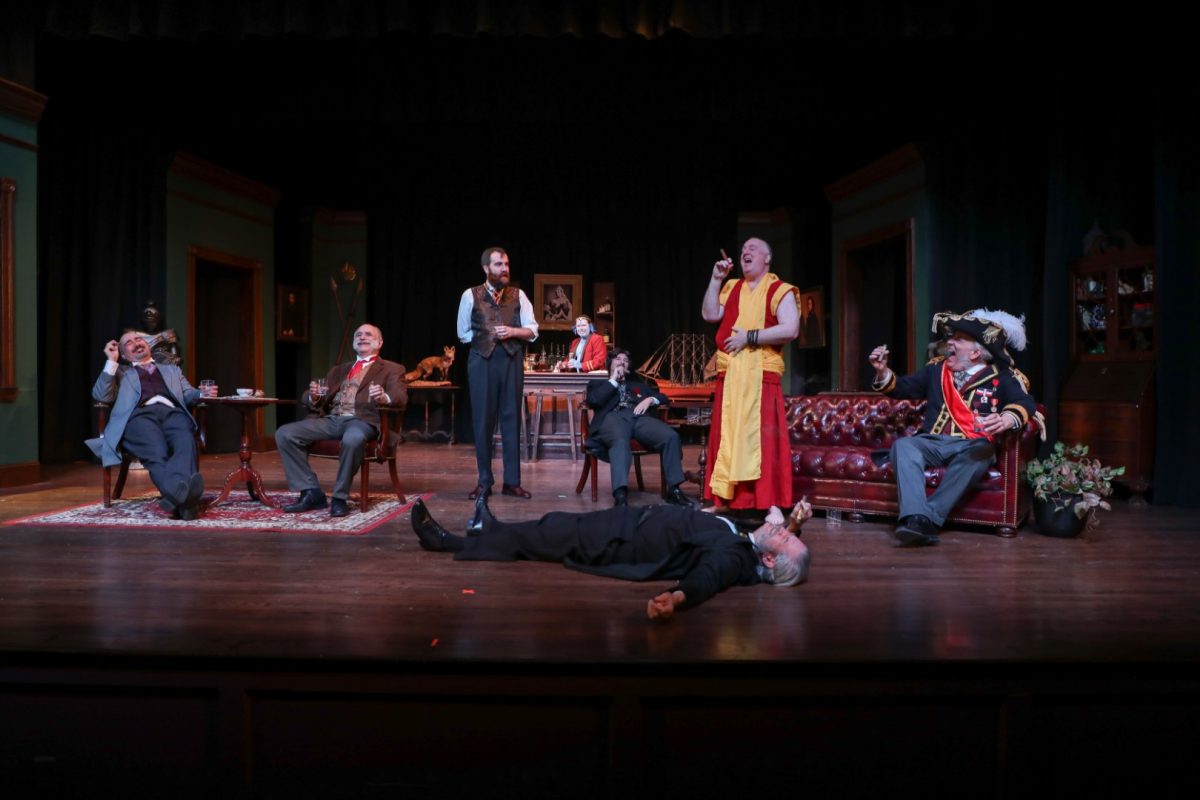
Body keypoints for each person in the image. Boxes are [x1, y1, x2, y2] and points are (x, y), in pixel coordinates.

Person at [411, 496, 813, 620]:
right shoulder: (747, 540)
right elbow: (772, 540)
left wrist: (677, 597)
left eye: (783, 537)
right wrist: (793, 523)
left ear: (769, 561)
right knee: (550, 527)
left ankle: (447, 542)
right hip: (628, 523)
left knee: (549, 533)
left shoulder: (734, 557)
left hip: (618, 540)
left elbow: (709, 576)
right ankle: (488, 530)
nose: (781, 530)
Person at [868, 308, 1038, 547]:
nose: (950, 342)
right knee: (904, 446)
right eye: (952, 337)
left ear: (976, 353)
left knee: (981, 452)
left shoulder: (1001, 377)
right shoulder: (936, 370)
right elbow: (902, 387)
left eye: (959, 339)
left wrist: (1008, 418)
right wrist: (882, 372)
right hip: (933, 442)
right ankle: (917, 517)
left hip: (972, 445)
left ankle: (923, 520)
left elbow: (1025, 402)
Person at [700, 237, 800, 512]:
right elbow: (710, 314)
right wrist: (716, 279)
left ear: (767, 258)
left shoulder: (780, 290)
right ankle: (724, 501)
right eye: (743, 249)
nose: (746, 251)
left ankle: (771, 504)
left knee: (763, 442)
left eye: (752, 249)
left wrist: (750, 337)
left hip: (761, 378)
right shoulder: (732, 286)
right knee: (727, 438)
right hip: (731, 376)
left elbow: (791, 328)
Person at [274, 324, 407, 517]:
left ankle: (339, 497)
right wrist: (313, 396)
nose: (362, 337)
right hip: (332, 419)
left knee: (353, 438)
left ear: (379, 342)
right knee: (285, 433)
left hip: (362, 421)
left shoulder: (391, 369)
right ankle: (311, 491)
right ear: (353, 342)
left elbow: (400, 396)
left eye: (368, 335)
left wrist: (383, 397)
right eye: (358, 335)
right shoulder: (339, 370)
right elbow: (313, 396)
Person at [87, 330, 216, 519]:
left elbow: (188, 393)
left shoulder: (172, 370)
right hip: (139, 417)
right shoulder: (121, 372)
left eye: (138, 339)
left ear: (147, 345)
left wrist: (202, 393)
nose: (136, 343)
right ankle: (188, 504)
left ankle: (176, 498)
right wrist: (112, 361)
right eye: (129, 343)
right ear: (124, 355)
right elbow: (101, 395)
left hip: (173, 413)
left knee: (185, 442)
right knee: (156, 450)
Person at [456, 246, 539, 500]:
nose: (505, 269)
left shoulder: (518, 295)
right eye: (499, 265)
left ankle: (512, 482)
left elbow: (533, 330)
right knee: (483, 420)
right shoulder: (470, 295)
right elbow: (463, 333)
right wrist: (486, 336)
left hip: (511, 360)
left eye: (506, 264)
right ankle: (484, 482)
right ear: (486, 268)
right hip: (482, 361)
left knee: (512, 419)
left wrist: (512, 332)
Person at [585, 349, 694, 507]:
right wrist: (614, 380)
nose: (622, 362)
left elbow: (663, 397)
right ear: (610, 364)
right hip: (612, 418)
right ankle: (620, 495)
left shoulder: (638, 385)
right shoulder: (598, 384)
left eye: (625, 360)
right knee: (620, 441)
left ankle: (674, 490)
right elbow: (594, 400)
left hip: (638, 418)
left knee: (670, 436)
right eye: (618, 359)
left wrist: (650, 400)